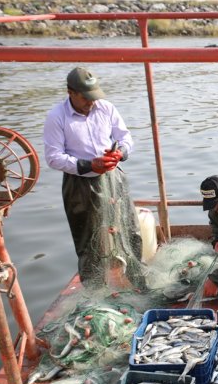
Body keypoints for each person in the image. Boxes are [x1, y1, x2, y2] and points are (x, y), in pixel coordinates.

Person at [43, 67, 144, 288]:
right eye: (85, 98)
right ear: (71, 92)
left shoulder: (106, 108)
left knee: (131, 229)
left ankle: (138, 279)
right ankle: (94, 291)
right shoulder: (56, 117)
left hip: (112, 176)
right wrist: (89, 164)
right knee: (88, 240)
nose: (91, 102)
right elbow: (53, 158)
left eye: (94, 97)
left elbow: (125, 138)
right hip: (80, 183)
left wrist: (120, 153)